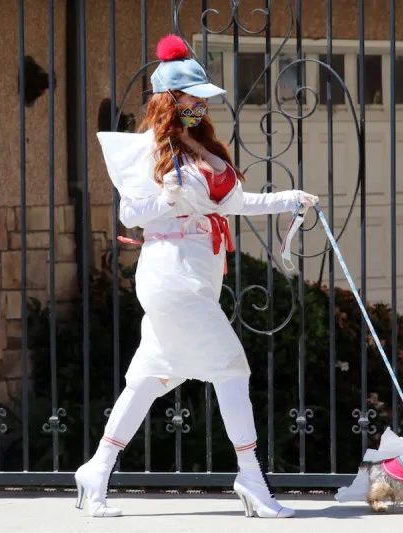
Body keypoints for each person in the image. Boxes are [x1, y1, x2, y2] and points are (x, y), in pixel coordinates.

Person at [77, 34, 319, 519]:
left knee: (149, 377)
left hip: (196, 274)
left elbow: (233, 203)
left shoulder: (200, 148)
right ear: (170, 100)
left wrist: (287, 198)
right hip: (171, 276)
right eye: (189, 99)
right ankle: (251, 479)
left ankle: (96, 469)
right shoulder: (150, 153)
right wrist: (165, 199)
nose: (197, 106)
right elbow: (131, 214)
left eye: (199, 99)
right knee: (232, 366)